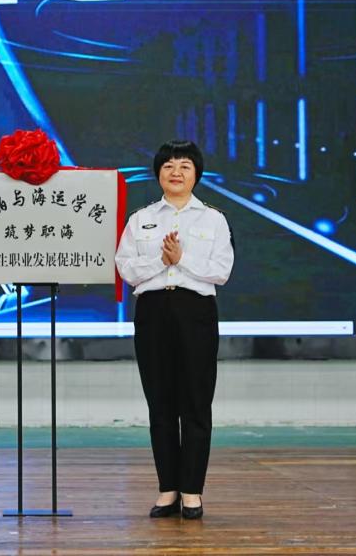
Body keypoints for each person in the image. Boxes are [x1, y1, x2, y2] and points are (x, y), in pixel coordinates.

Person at [115, 140, 235, 520]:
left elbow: (221, 271)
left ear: (196, 173)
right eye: (168, 166)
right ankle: (167, 489)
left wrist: (182, 259)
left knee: (196, 403)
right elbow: (126, 268)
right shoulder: (141, 218)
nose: (176, 172)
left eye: (184, 165)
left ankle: (192, 491)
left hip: (196, 312)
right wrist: (161, 259)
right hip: (153, 312)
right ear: (158, 174)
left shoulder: (214, 219)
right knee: (161, 404)